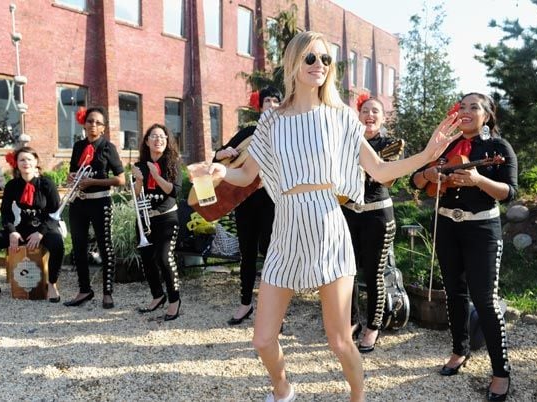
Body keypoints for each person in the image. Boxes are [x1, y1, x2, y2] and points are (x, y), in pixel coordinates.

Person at [208, 31, 461, 402]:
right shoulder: (272, 121)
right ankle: (283, 390)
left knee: (340, 341)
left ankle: (358, 397)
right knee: (262, 339)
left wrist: (426, 154)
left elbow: (380, 170)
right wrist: (221, 173)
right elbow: (246, 175)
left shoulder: (341, 116)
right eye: (311, 58)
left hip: (329, 226)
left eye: (326, 60)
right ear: (293, 62)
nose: (320, 66)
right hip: (287, 230)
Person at [411, 92, 518, 401]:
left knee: (484, 300)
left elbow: (509, 192)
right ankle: (459, 350)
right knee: (455, 293)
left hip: (482, 229)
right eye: (462, 106)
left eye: (474, 107)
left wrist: (479, 181)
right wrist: (427, 173)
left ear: (488, 115)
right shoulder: (443, 145)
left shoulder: (499, 148)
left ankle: (501, 371)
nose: (467, 111)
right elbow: (416, 183)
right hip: (446, 225)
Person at [213, 86, 281, 325]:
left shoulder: (286, 133)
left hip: (273, 201)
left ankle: (274, 310)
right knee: (247, 252)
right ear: (260, 106)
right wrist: (224, 153)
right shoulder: (249, 132)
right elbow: (218, 158)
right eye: (267, 101)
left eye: (275, 101)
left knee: (271, 253)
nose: (271, 105)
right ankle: (245, 303)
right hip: (244, 200)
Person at [342, 96, 401, 353]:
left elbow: (388, 181)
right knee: (347, 273)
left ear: (383, 117)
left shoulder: (390, 144)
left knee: (375, 274)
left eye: (375, 111)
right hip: (347, 213)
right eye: (365, 110)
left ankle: (373, 326)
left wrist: (372, 168)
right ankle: (351, 322)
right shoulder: (347, 141)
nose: (369, 115)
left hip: (377, 215)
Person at [0, 147, 64, 306]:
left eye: (29, 159)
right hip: (22, 229)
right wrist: (12, 232)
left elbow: (55, 213)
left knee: (57, 245)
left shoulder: (47, 184)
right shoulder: (12, 185)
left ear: (36, 162)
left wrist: (41, 233)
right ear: (17, 164)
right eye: (22, 159)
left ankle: (52, 284)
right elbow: (5, 213)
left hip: (45, 228)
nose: (26, 162)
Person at [63, 106, 125, 309]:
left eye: (98, 122)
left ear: (103, 128)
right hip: (79, 202)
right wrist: (71, 177)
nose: (93, 125)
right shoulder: (78, 146)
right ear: (85, 124)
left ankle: (108, 292)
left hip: (100, 202)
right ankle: (84, 290)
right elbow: (73, 172)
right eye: (90, 121)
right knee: (78, 247)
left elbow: (121, 179)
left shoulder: (108, 147)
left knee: (105, 246)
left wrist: (94, 182)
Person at [132, 124, 183, 321]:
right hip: (145, 218)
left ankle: (174, 300)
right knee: (147, 259)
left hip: (167, 218)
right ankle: (157, 295)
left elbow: (175, 191)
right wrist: (138, 181)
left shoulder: (173, 163)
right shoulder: (140, 165)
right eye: (154, 136)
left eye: (162, 136)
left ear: (167, 141)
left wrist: (155, 176)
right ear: (147, 141)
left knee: (164, 258)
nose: (158, 140)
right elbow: (136, 196)